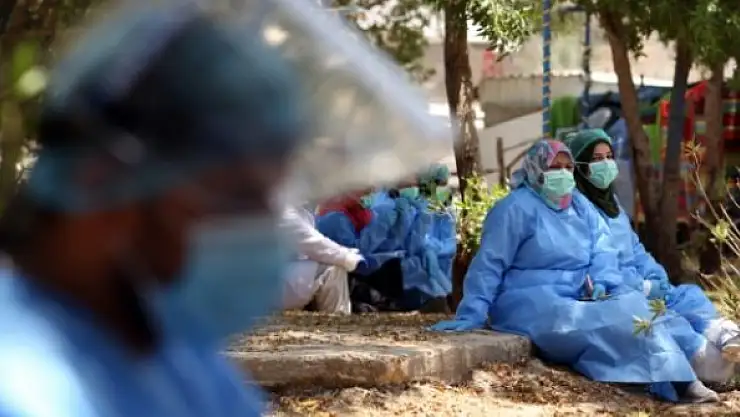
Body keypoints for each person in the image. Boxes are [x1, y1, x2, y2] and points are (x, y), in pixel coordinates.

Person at [0, 3, 448, 415]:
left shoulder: (174, 359)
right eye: (238, 197)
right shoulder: (23, 388)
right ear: (101, 181)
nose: (261, 230)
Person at [431, 139, 719, 403]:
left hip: (580, 291)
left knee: (633, 304)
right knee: (608, 319)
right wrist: (473, 311)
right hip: (530, 301)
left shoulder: (580, 205)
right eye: (554, 167)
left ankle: (682, 373)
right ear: (536, 169)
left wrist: (603, 280)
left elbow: (603, 247)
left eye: (568, 167)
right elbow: (490, 263)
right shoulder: (514, 209)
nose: (563, 174)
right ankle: (679, 382)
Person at [565, 128, 740, 383]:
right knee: (668, 322)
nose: (606, 164)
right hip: (618, 292)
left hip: (640, 283)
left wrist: (656, 278)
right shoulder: (576, 210)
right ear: (580, 166)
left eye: (609, 156)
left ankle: (726, 335)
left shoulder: (612, 205)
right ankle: (702, 361)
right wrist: (641, 286)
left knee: (688, 295)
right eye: (597, 159)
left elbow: (636, 250)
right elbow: (594, 267)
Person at [280, 205, 364, 314]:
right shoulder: (283, 211)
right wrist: (349, 258)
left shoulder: (302, 211)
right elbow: (313, 244)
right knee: (332, 268)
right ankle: (338, 319)